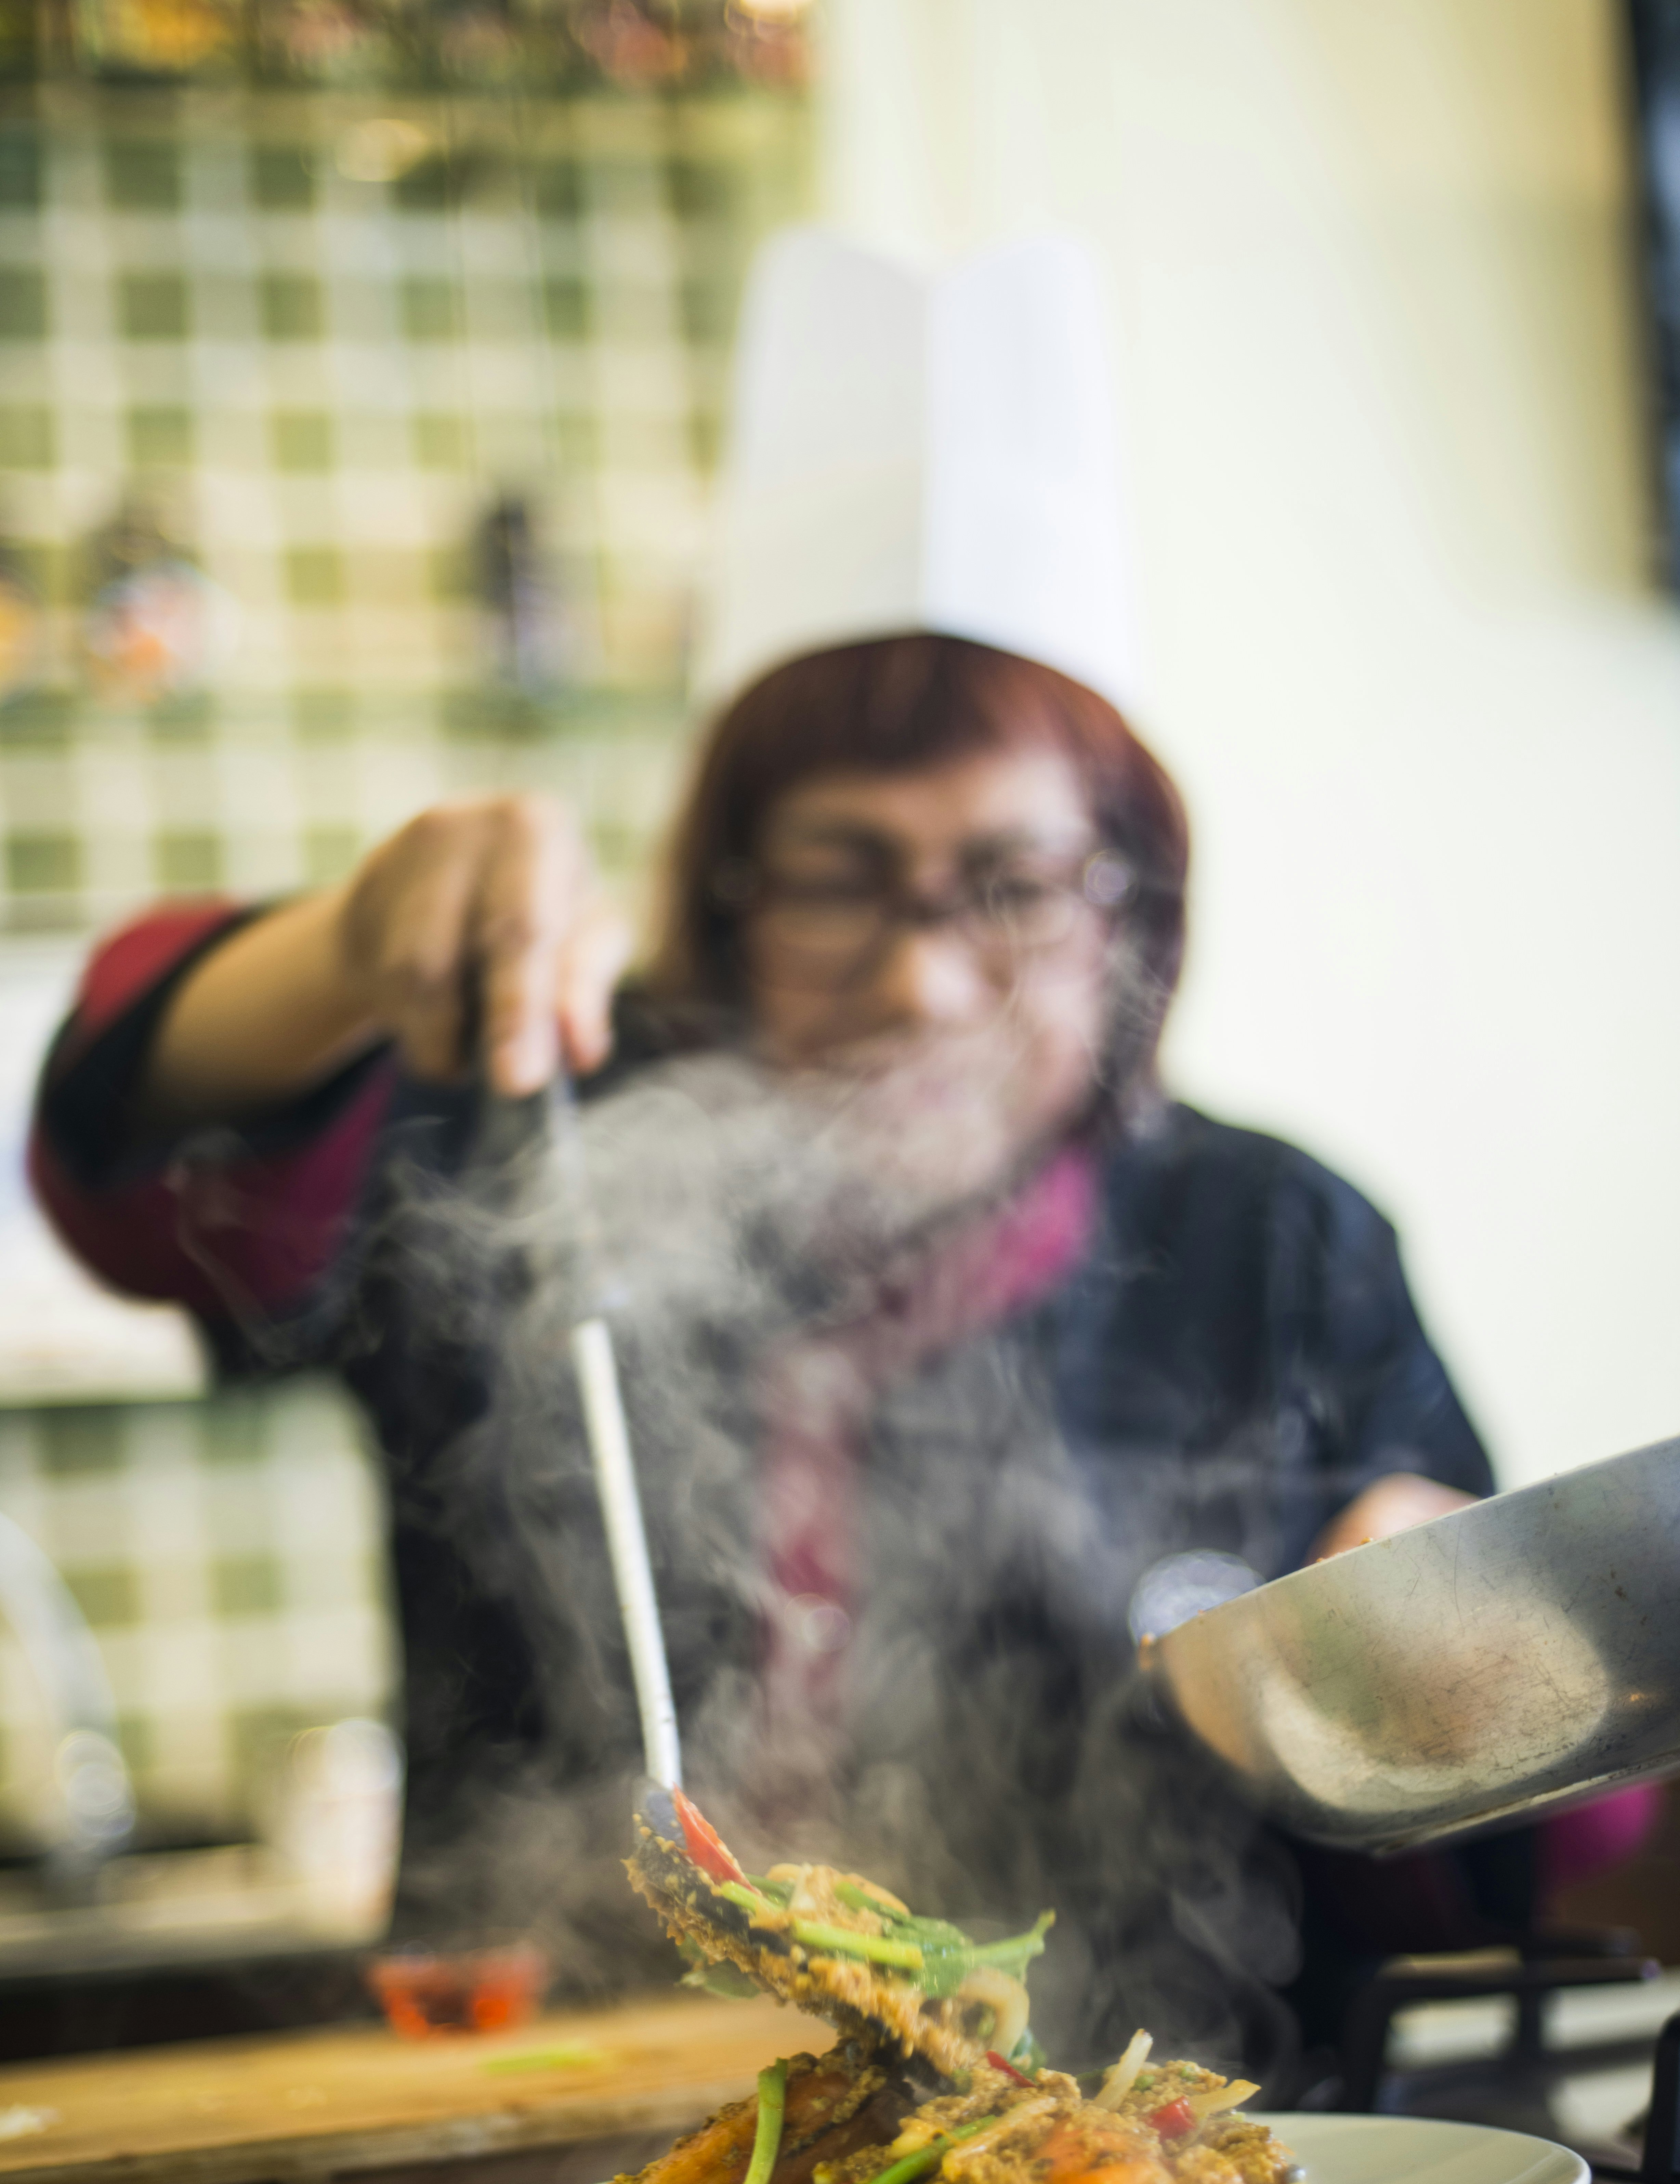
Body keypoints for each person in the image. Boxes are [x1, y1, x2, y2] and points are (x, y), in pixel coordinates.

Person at [27, 235, 1619, 2079]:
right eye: (842, 874)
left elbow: (1506, 1864)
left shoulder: (1280, 1244)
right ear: (723, 891)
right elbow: (124, 1164)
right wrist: (349, 947)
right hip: (537, 2177)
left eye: (1011, 884)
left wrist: (1473, 1679)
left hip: (1163, 2170)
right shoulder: (522, 1154)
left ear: (1131, 910)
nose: (927, 976)